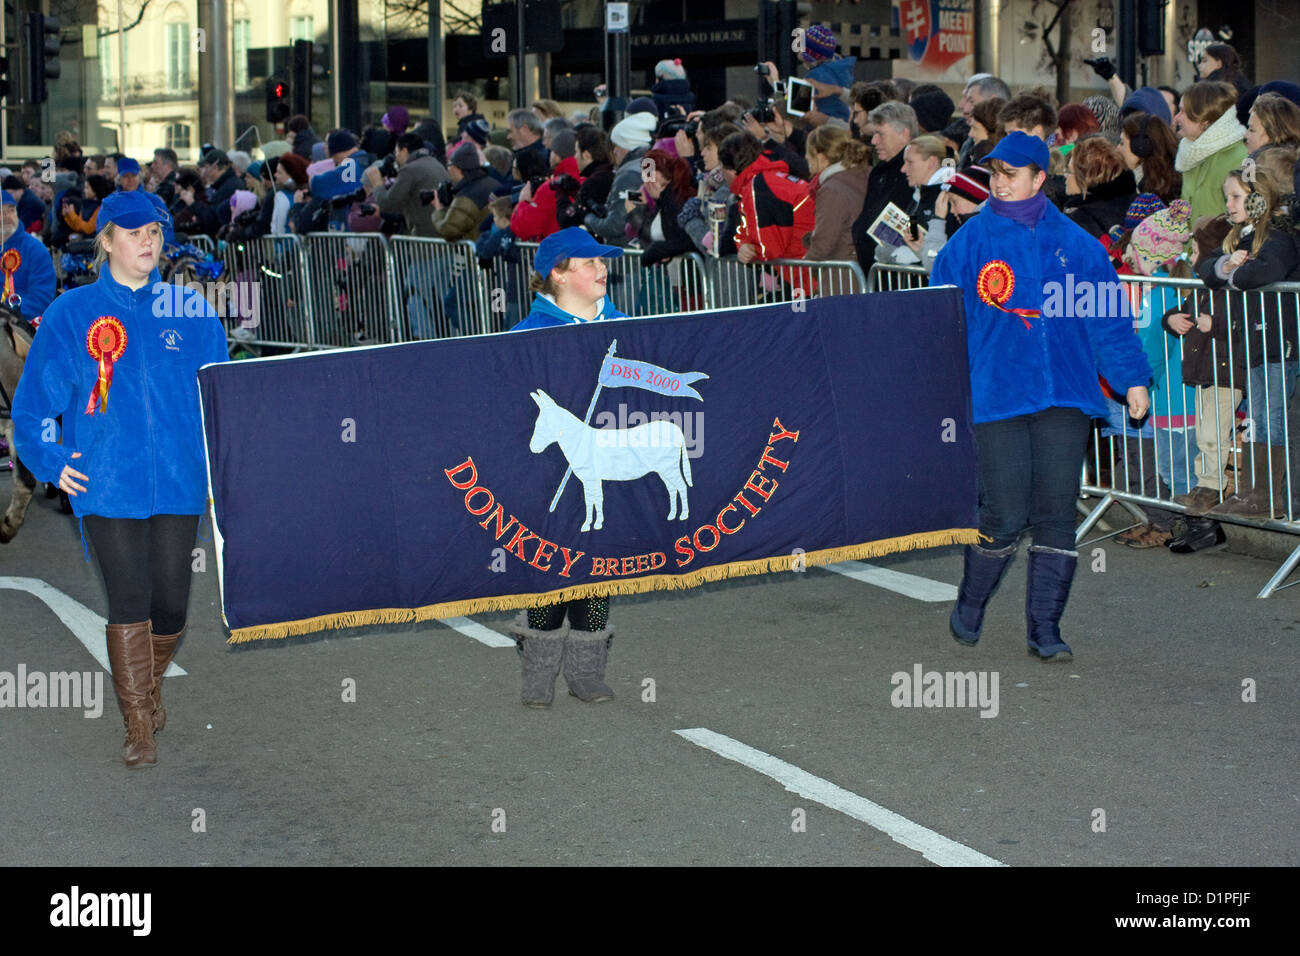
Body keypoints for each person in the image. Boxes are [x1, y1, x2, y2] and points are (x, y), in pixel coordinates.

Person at [11, 190, 227, 767]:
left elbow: (223, 398)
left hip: (180, 482)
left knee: (173, 606)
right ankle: (137, 723)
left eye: (154, 231)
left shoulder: (195, 312)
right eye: (132, 233)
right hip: (104, 483)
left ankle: (148, 687)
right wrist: (53, 462)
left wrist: (230, 464)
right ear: (105, 240)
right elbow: (32, 409)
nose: (147, 241)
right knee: (129, 598)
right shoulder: (70, 314)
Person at [931, 132, 1151, 660]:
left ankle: (1045, 630)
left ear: (1038, 178)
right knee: (1004, 516)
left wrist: (1132, 379)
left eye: (1011, 173)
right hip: (995, 398)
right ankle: (972, 601)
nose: (1000, 182)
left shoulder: (1077, 245)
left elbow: (1109, 322)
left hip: (1066, 398)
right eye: (994, 173)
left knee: (1056, 514)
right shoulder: (968, 244)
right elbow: (937, 326)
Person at [507, 228, 627, 707]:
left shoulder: (628, 327)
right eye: (587, 263)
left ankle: (586, 672)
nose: (601, 269)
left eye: (602, 261)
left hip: (607, 466)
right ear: (557, 274)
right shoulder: (525, 338)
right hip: (547, 480)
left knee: (599, 567)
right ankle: (538, 673)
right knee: (550, 570)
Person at [1194, 163, 1300, 517]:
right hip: (1254, 342)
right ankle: (1255, 490)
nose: (1229, 204)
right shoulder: (1238, 237)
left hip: (1279, 340)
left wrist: (1233, 274)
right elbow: (1206, 268)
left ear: (1259, 199)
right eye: (1227, 197)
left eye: (1237, 196)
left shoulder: (1280, 237)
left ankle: (1268, 493)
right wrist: (1225, 266)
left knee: (1270, 414)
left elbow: (1266, 271)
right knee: (1256, 415)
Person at [852, 101, 918, 273]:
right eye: (874, 134)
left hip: (901, 274)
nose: (874, 141)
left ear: (904, 134)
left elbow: (917, 215)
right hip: (872, 272)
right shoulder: (879, 172)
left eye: (880, 134)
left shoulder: (919, 173)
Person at [1175, 81, 1247, 225]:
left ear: (1204, 119)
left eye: (1183, 111)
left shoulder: (1242, 156)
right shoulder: (1189, 153)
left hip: (1224, 246)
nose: (1177, 118)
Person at [802, 124, 871, 261]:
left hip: (842, 272)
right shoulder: (865, 174)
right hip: (860, 266)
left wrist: (807, 261)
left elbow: (825, 240)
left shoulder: (832, 189)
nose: (806, 157)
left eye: (809, 152)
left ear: (821, 156)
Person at [366, 131, 450, 237]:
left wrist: (377, 183)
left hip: (424, 238)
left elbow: (387, 204)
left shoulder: (409, 169)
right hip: (441, 233)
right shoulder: (436, 164)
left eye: (396, 152)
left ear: (404, 151)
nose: (396, 158)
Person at [1063, 136, 1138, 238]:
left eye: (1069, 171)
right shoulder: (1138, 203)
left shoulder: (1081, 220)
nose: (1065, 175)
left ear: (1086, 177)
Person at [0, 193, 56, 319]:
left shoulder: (35, 249)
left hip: (22, 325)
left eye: (11, 210)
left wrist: (10, 314)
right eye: (0, 211)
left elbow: (41, 298)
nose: (6, 216)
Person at [1118, 113, 1182, 203]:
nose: (1118, 148)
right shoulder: (1154, 182)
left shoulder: (1156, 193)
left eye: (1122, 143)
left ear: (1140, 147)